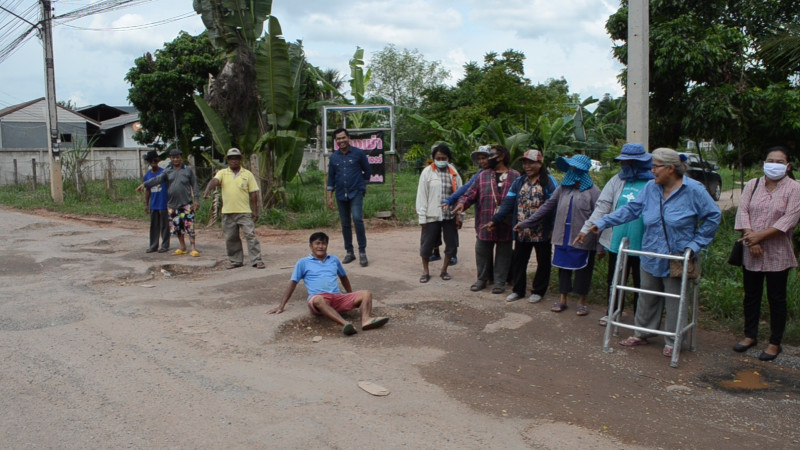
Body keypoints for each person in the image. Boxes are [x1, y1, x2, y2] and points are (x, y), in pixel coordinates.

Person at [579, 148, 721, 357]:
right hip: (651, 250)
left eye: (655, 167)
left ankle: (673, 339)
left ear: (671, 168)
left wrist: (695, 244)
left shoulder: (694, 190)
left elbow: (713, 216)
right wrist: (602, 223)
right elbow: (631, 210)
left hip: (677, 255)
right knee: (647, 294)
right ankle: (642, 333)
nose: (651, 170)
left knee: (674, 298)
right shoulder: (650, 188)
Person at [732, 146, 800, 361]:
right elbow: (743, 211)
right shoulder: (752, 185)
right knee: (751, 296)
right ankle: (750, 335)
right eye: (771, 160)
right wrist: (750, 237)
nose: (774, 164)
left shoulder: (794, 188)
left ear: (788, 166)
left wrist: (759, 237)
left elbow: (789, 219)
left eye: (780, 161)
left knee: (776, 298)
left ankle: (774, 342)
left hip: (778, 253)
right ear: (763, 163)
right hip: (751, 250)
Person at [516, 154, 600, 316]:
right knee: (563, 268)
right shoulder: (562, 189)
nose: (571, 171)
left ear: (582, 171)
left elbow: (600, 217)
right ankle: (563, 299)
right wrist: (527, 222)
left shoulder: (593, 191)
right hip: (562, 236)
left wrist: (600, 245)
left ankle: (581, 302)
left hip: (583, 238)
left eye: (574, 168)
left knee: (584, 270)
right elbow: (547, 207)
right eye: (570, 168)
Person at [581, 143, 653, 325]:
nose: (625, 166)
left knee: (641, 283)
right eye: (624, 162)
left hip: (644, 240)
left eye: (630, 162)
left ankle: (641, 318)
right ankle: (612, 311)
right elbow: (603, 206)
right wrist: (587, 228)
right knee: (615, 279)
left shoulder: (652, 182)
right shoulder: (616, 180)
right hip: (617, 239)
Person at [267, 232, 389, 336]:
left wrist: (349, 294)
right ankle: (345, 324)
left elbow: (343, 277)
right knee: (318, 299)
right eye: (317, 243)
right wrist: (281, 306)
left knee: (366, 293)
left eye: (324, 243)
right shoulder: (303, 262)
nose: (321, 246)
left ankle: (366, 320)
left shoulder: (334, 260)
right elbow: (293, 283)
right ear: (311, 246)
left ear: (327, 245)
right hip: (319, 299)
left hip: (337, 297)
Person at [484, 149, 558, 303]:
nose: (527, 166)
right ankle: (518, 290)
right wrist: (495, 220)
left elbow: (555, 206)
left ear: (540, 163)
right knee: (519, 261)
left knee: (543, 262)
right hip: (521, 230)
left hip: (542, 231)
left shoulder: (549, 182)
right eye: (525, 163)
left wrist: (552, 227)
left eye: (531, 163)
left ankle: (538, 291)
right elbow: (508, 204)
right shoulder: (519, 182)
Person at [453, 145, 520, 294]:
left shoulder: (516, 176)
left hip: (506, 224)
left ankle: (499, 282)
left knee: (504, 253)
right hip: (484, 221)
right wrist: (462, 204)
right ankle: (482, 279)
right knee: (482, 250)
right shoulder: (483, 175)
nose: (488, 158)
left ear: (501, 156)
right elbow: (470, 194)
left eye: (491, 155)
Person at [203, 147, 265, 270]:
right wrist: (207, 189)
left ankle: (257, 260)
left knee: (250, 236)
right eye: (231, 159)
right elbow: (215, 181)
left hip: (244, 212)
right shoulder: (222, 173)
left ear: (240, 160)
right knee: (231, 238)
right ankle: (236, 261)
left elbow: (253, 193)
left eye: (236, 158)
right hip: (228, 212)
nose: (234, 161)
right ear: (228, 160)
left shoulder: (247, 174)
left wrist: (255, 211)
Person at [137, 148, 201, 256]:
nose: (176, 159)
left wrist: (197, 200)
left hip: (186, 204)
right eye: (173, 158)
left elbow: (194, 186)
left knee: (189, 226)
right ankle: (183, 247)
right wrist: (145, 184)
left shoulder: (187, 170)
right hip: (172, 205)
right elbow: (156, 179)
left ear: (181, 158)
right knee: (177, 227)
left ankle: (193, 248)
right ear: (170, 159)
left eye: (177, 157)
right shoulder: (167, 171)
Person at [438, 145, 493, 265]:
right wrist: (450, 200)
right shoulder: (480, 174)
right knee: (483, 244)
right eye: (480, 158)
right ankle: (485, 275)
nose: (482, 161)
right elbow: (466, 188)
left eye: (485, 157)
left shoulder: (504, 173)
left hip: (499, 214)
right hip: (483, 212)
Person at [416, 143, 463, 283]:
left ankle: (444, 270)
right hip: (432, 214)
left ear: (448, 158)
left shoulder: (453, 173)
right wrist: (422, 217)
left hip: (449, 215)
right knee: (427, 244)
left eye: (444, 158)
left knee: (451, 244)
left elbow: (461, 194)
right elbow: (422, 195)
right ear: (433, 158)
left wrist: (460, 216)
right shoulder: (427, 172)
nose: (441, 160)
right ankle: (425, 271)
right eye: (438, 158)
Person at [326, 128, 371, 267]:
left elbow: (368, 172)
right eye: (338, 139)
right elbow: (331, 178)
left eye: (343, 137)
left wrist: (359, 183)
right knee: (345, 223)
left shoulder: (359, 154)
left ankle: (362, 252)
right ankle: (349, 252)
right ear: (336, 141)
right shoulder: (334, 157)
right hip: (340, 194)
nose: (341, 141)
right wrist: (330, 197)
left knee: (357, 219)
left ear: (348, 138)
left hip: (356, 192)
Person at [142, 150, 170, 253]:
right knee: (154, 226)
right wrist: (146, 204)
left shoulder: (164, 173)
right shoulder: (147, 175)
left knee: (164, 226)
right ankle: (153, 246)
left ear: (157, 161)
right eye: (150, 161)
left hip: (163, 203)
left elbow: (169, 188)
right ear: (149, 162)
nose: (153, 162)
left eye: (154, 160)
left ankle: (165, 245)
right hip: (154, 204)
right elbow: (147, 191)